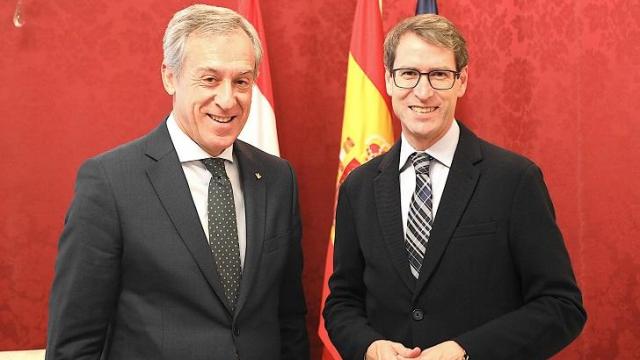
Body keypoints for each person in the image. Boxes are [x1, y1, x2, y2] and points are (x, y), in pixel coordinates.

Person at [46, 5, 309, 359]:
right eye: (210, 79)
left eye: (242, 81)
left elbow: (289, 319)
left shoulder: (278, 178)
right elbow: (75, 342)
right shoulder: (110, 182)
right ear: (170, 77)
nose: (228, 99)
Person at [323, 14, 586, 360]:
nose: (423, 91)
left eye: (439, 75)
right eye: (408, 74)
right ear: (388, 80)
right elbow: (343, 302)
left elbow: (561, 307)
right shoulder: (358, 186)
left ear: (462, 81)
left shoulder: (515, 180)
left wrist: (466, 351)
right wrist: (370, 347)